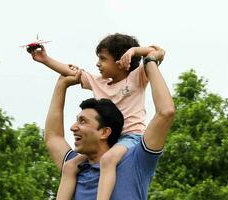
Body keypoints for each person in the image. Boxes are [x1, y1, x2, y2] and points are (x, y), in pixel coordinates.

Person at [28, 33, 165, 200]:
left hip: (131, 137)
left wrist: (135, 51)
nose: (97, 64)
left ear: (121, 61)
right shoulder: (98, 82)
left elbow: (157, 52)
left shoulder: (136, 77)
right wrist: (45, 59)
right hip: (111, 142)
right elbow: (71, 72)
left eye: (102, 59)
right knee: (70, 166)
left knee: (108, 159)